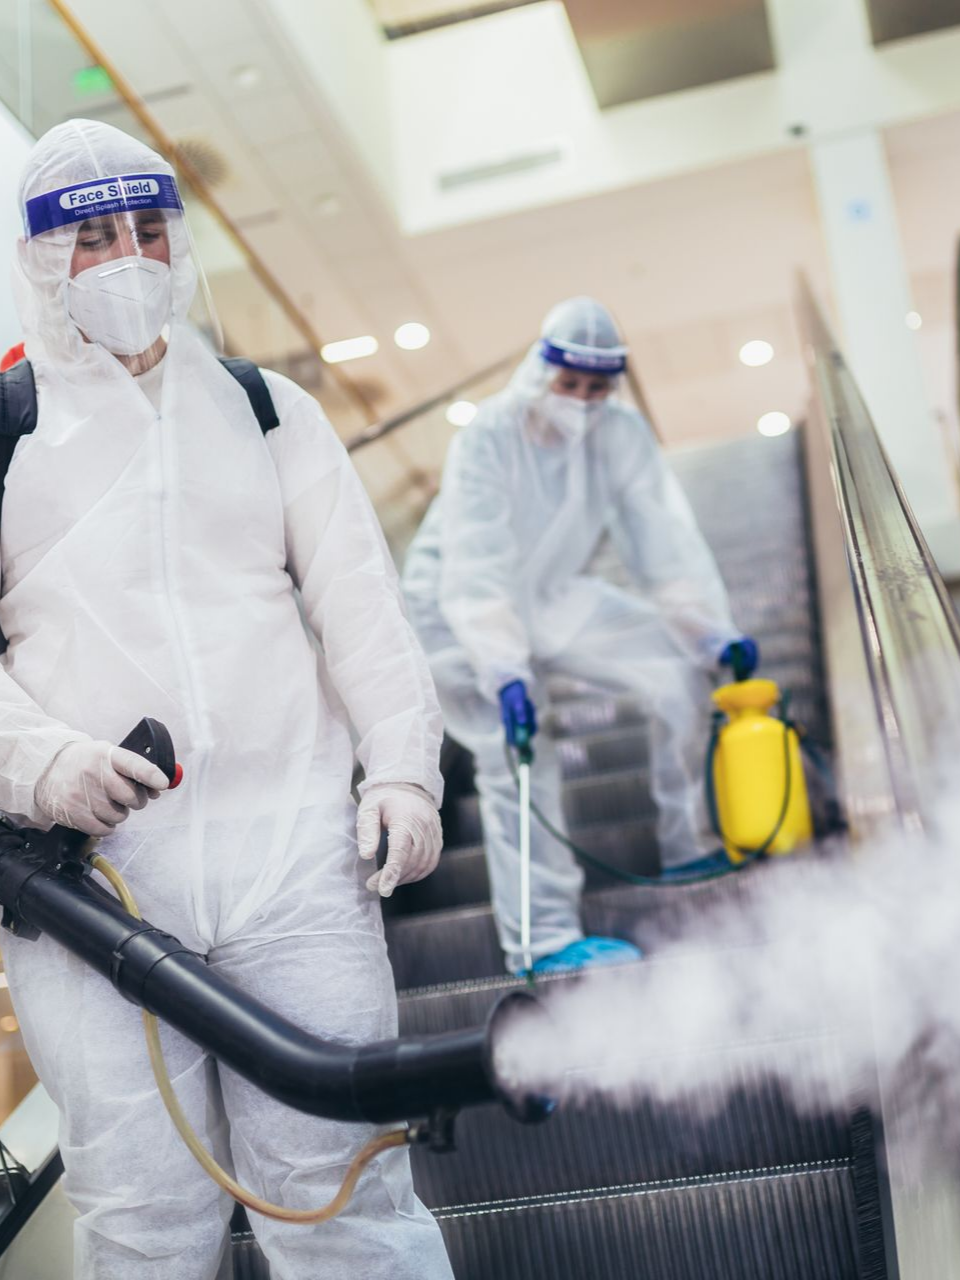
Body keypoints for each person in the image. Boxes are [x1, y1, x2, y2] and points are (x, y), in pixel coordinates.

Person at [0, 119, 453, 1280]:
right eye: (94, 238)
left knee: (346, 1184)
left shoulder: (267, 410)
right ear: (45, 261)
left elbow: (363, 606)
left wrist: (402, 767)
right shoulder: (9, 433)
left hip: (293, 860)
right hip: (94, 889)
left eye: (150, 228)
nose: (131, 257)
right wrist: (40, 760)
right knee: (146, 1218)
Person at [402, 297, 757, 976]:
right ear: (541, 373)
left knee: (676, 671)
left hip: (553, 593)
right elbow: (477, 569)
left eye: (598, 388)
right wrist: (504, 668)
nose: (583, 401)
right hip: (452, 609)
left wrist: (711, 634)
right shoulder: (487, 435)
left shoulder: (619, 433)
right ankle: (543, 942)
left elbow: (662, 541)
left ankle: (689, 841)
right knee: (521, 756)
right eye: (570, 384)